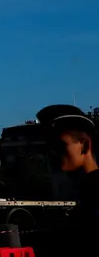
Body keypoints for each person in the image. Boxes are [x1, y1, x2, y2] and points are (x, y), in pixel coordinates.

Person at [37, 104, 99, 253]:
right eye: (50, 148)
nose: (54, 154)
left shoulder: (94, 194)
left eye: (60, 146)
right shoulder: (84, 193)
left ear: (85, 145)